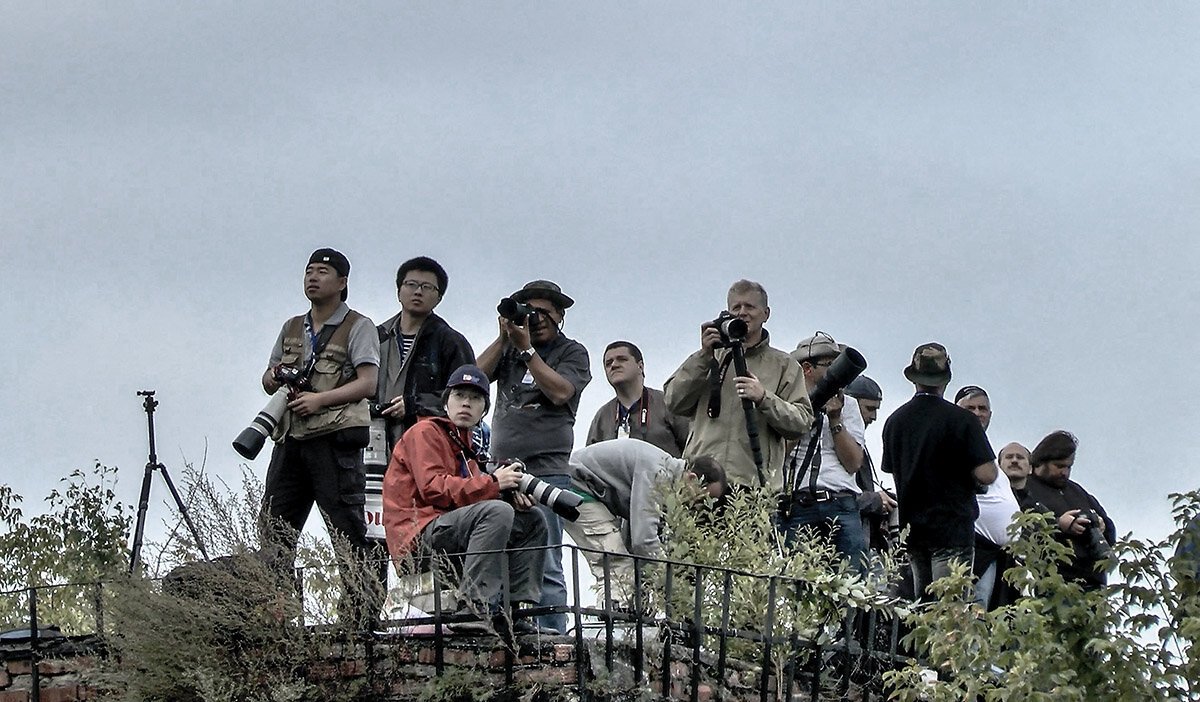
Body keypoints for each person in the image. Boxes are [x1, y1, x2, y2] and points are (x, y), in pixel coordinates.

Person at [258, 248, 382, 627]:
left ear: (342, 283)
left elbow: (369, 382)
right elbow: (266, 380)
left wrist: (320, 400)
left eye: (323, 272)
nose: (313, 278)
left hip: (335, 438)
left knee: (347, 529)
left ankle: (361, 617)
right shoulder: (292, 326)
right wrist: (277, 376)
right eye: (309, 271)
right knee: (274, 529)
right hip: (291, 438)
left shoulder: (359, 326)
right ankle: (278, 615)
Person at [382, 365, 548, 634]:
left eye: (475, 398)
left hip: (447, 534)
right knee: (496, 512)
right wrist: (494, 484)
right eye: (459, 395)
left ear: (484, 410)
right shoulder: (424, 432)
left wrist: (509, 496)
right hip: (417, 538)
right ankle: (472, 608)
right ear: (445, 403)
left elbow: (470, 502)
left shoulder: (466, 450)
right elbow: (433, 489)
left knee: (531, 520)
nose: (466, 403)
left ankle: (517, 613)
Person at [477, 280, 591, 633]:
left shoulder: (573, 352)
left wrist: (528, 352)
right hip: (502, 470)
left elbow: (560, 392)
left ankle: (555, 639)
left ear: (560, 315)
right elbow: (472, 380)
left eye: (545, 312)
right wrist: (504, 338)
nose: (537, 319)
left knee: (547, 562)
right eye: (530, 311)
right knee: (498, 555)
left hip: (546, 471)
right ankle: (503, 634)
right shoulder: (509, 350)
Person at [664, 280, 813, 492]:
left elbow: (802, 422)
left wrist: (763, 398)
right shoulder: (710, 357)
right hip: (701, 482)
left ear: (766, 313)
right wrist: (703, 356)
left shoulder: (784, 365)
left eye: (750, 307)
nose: (742, 313)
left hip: (753, 485)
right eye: (736, 307)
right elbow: (673, 401)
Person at [881, 343, 997, 601]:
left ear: (914, 377)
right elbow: (987, 474)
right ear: (946, 379)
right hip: (952, 529)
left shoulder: (895, 421)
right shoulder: (962, 420)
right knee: (950, 611)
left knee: (923, 609)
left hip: (914, 531)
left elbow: (890, 468)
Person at [563, 439, 727, 603]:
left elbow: (634, 535)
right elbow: (643, 541)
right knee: (617, 566)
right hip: (576, 488)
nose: (698, 507)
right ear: (692, 478)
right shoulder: (658, 473)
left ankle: (624, 617)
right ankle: (613, 624)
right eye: (702, 498)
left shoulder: (667, 480)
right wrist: (671, 585)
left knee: (628, 569)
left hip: (585, 488)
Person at [779, 333, 869, 574]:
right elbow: (777, 455)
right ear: (807, 368)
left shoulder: (848, 406)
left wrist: (835, 419)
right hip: (796, 504)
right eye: (830, 365)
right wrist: (803, 418)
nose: (838, 372)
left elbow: (853, 463)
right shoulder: (785, 403)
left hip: (840, 503)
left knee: (852, 587)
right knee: (797, 588)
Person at [375, 256, 475, 446]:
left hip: (427, 444)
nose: (418, 292)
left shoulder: (451, 342)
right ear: (399, 291)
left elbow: (467, 396)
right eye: (411, 284)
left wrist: (415, 405)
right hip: (375, 440)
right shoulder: (377, 336)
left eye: (427, 287)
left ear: (438, 298)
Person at [1017, 430, 1115, 590]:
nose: (1065, 472)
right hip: (1050, 584)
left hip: (1093, 584)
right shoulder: (1024, 489)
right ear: (1041, 462)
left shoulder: (1077, 491)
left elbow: (1110, 533)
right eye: (1059, 466)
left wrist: (1103, 526)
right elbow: (1019, 531)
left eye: (1069, 467)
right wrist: (1058, 525)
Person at [954, 385, 1020, 609]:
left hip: (997, 555)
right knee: (972, 611)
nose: (977, 413)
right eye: (970, 407)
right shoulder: (955, 443)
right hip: (972, 548)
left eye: (982, 408)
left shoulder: (986, 450)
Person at [586, 341, 690, 457]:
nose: (614, 365)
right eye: (608, 363)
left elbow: (693, 447)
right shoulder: (602, 417)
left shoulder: (666, 403)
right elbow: (589, 463)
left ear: (640, 366)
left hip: (666, 474)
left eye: (622, 359)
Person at [844, 375, 898, 553]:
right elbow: (834, 499)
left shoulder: (859, 442)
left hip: (866, 543)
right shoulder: (831, 443)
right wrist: (875, 500)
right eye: (869, 409)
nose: (873, 417)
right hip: (844, 543)